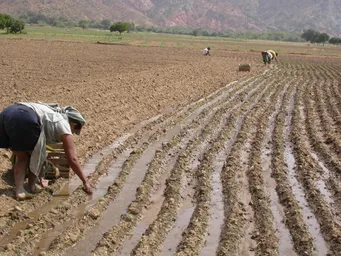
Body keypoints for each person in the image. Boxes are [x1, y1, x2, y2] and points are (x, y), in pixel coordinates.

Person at [0, 102, 93, 200]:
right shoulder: (64, 126)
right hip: (25, 117)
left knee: (22, 157)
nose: (74, 133)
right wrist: (85, 181)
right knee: (36, 156)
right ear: (73, 124)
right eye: (76, 129)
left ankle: (20, 190)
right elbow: (72, 159)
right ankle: (31, 187)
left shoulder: (53, 114)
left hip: (6, 113)